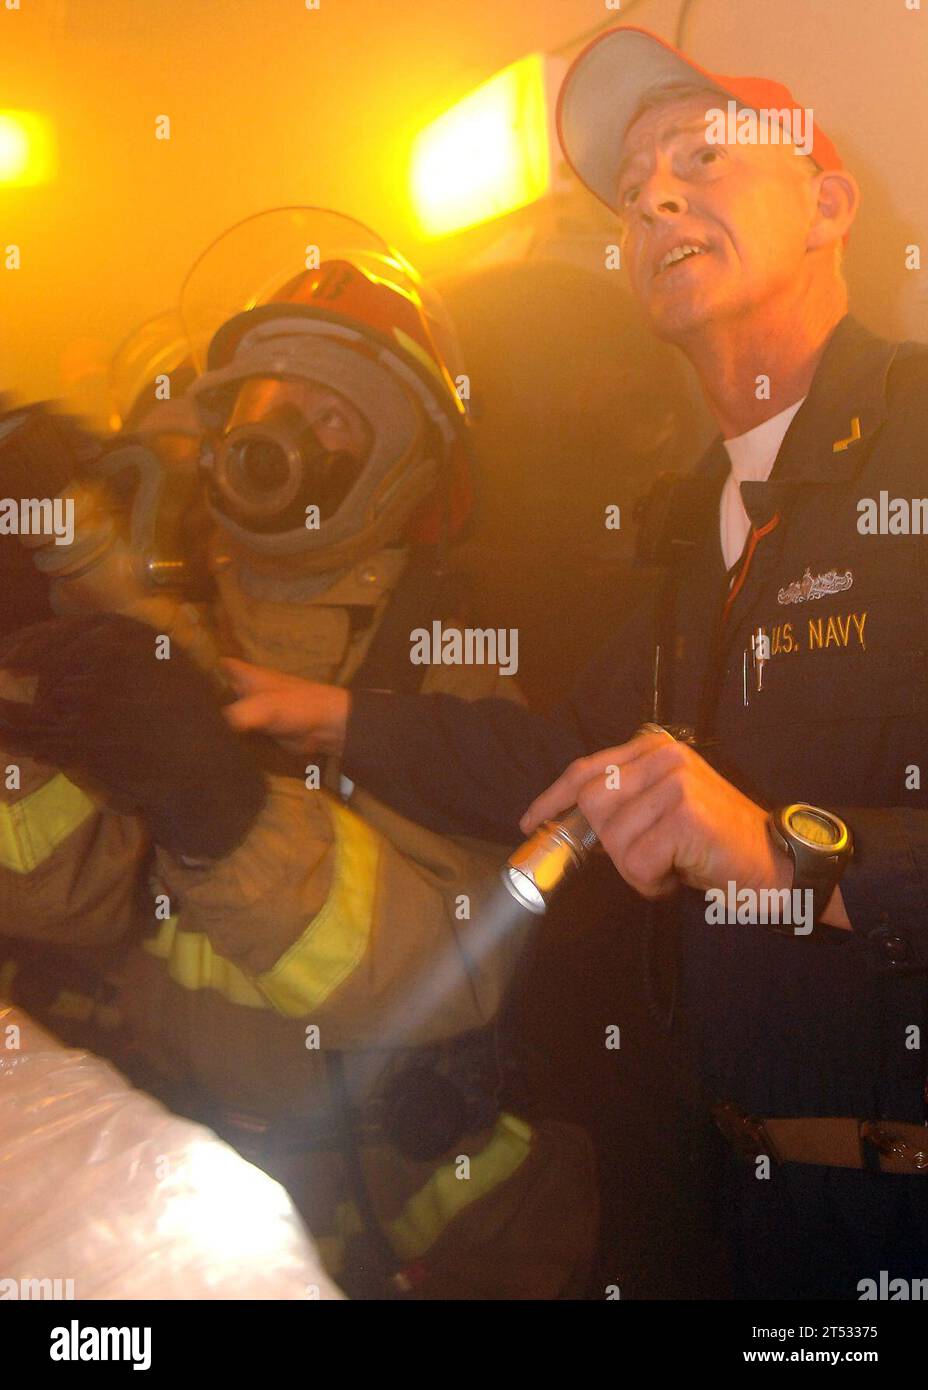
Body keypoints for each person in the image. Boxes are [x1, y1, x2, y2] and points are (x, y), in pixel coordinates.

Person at [221, 32, 928, 1300]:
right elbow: (550, 754)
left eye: (703, 153)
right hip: (735, 1212)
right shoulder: (698, 522)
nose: (655, 193)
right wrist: (320, 709)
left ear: (829, 202)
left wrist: (789, 856)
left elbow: (772, 853)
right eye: (635, 181)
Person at [0, 209, 597, 1300]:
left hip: (419, 1224)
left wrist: (228, 813)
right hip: (173, 1195)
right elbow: (55, 903)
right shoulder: (168, 619)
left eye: (335, 415)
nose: (287, 438)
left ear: (406, 465)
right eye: (275, 402)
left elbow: (451, 968)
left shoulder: (451, 676)